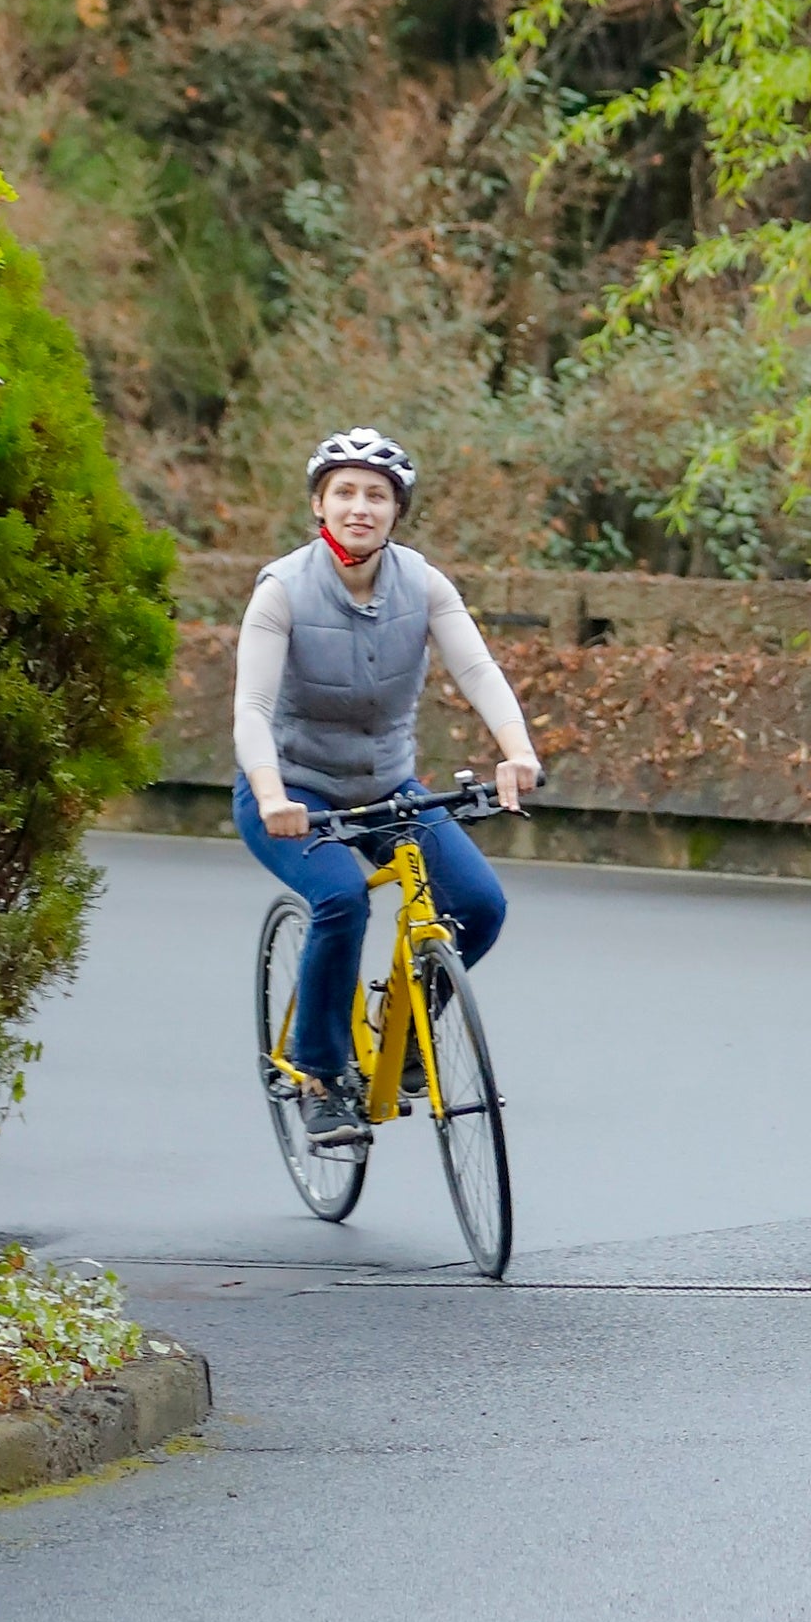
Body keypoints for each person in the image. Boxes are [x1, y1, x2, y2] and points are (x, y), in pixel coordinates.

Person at [233, 428, 543, 1149]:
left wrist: (516, 751)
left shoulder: (424, 583)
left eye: (376, 495)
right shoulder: (282, 589)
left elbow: (476, 670)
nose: (360, 507)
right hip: (290, 793)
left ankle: (406, 1039)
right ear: (318, 503)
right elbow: (250, 708)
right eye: (344, 491)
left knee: (479, 905)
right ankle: (319, 1072)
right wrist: (272, 792)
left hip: (385, 787)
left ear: (396, 510)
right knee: (340, 898)